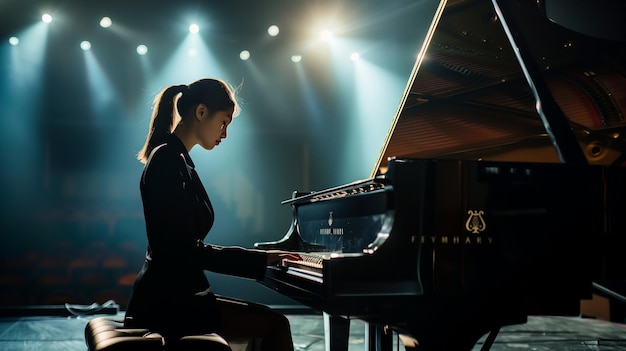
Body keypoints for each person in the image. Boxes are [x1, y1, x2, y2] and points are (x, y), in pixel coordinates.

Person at [124, 78, 300, 351]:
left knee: (271, 323)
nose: (225, 133)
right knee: (274, 325)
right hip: (166, 306)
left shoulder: (177, 158)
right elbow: (184, 251)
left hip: (178, 297)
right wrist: (260, 260)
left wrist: (261, 260)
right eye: (224, 122)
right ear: (201, 112)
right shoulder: (168, 160)